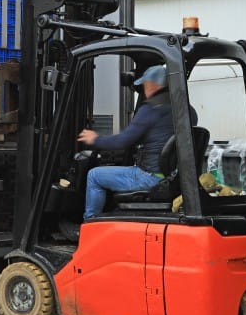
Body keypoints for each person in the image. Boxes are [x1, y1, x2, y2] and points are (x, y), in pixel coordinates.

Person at [76, 64, 197, 219]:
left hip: (150, 177)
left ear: (154, 85)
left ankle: (90, 222)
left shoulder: (151, 109)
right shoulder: (187, 110)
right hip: (174, 177)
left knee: (94, 175)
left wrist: (96, 139)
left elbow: (123, 141)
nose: (145, 90)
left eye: (145, 84)